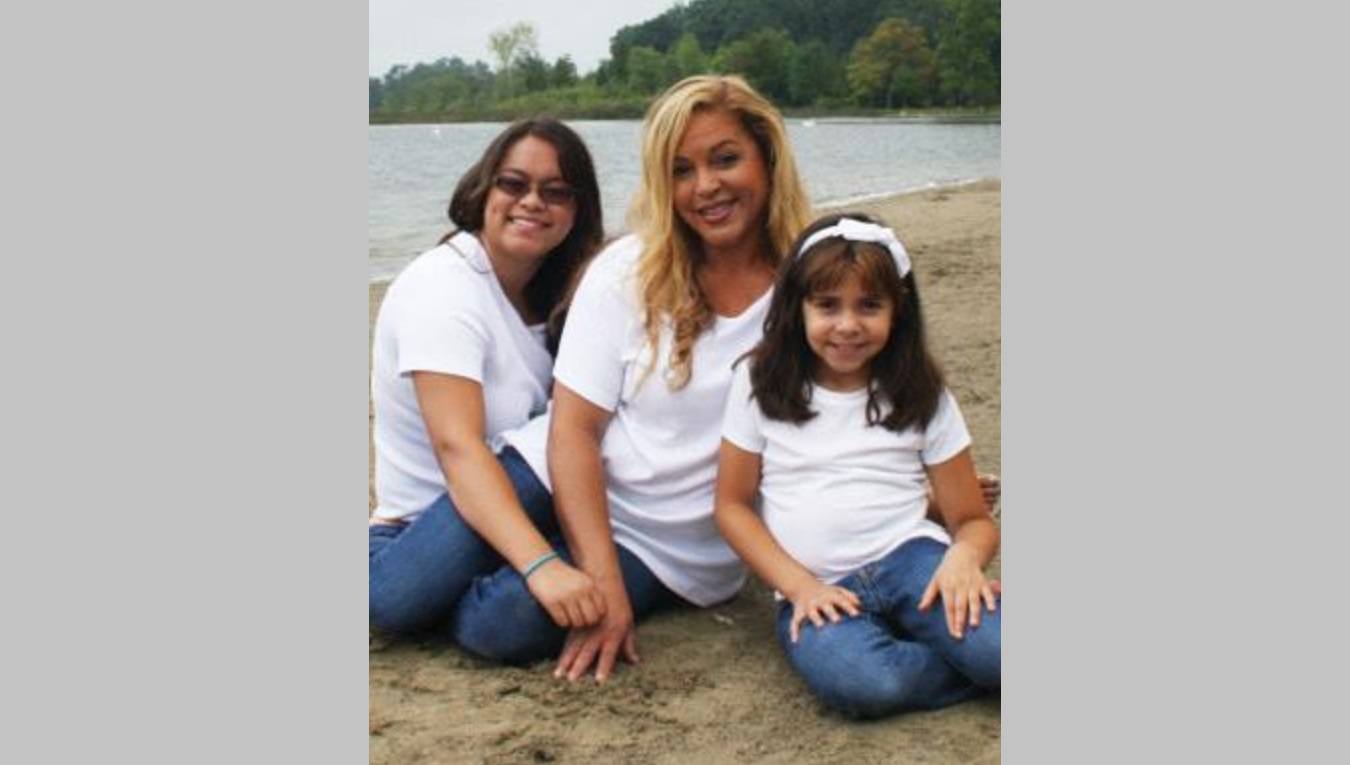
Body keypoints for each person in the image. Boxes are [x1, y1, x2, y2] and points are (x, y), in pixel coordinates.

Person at [714, 212, 1001, 719]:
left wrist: (963, 559)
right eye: (827, 305)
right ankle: (963, 668)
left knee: (998, 651)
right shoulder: (759, 382)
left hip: (914, 559)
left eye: (869, 305)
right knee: (865, 682)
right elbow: (732, 507)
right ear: (797, 307)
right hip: (817, 582)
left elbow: (973, 520)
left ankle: (980, 657)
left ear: (898, 310)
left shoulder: (922, 391)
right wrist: (799, 587)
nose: (847, 325)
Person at [368, 118, 608, 643]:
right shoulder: (444, 288)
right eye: (514, 184)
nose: (532, 202)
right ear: (483, 190)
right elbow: (458, 448)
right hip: (414, 536)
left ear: (578, 209)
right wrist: (542, 566)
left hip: (512, 515)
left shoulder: (551, 291)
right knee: (392, 601)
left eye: (556, 192)